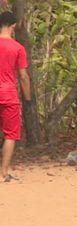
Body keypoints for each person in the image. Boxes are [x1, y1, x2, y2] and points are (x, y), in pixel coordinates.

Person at [0, 11, 30, 182]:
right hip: (8, 94)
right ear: (13, 26)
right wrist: (27, 98)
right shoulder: (18, 48)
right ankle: (3, 173)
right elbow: (23, 76)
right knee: (10, 135)